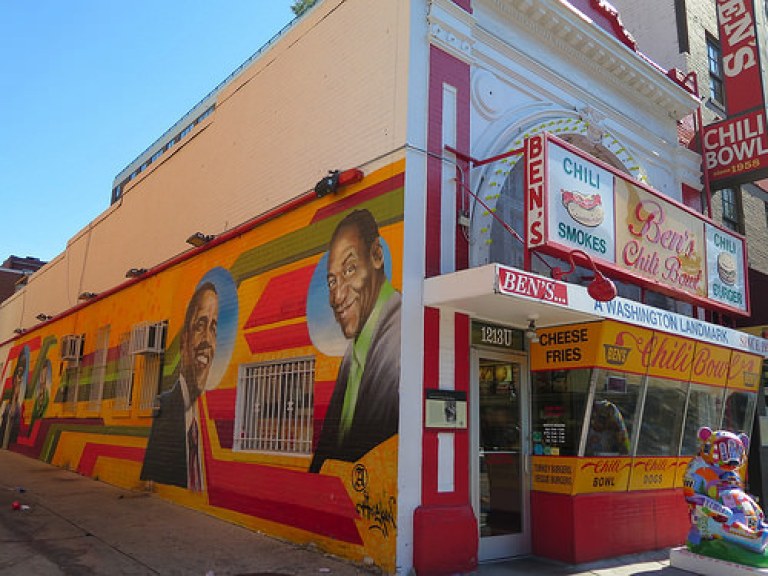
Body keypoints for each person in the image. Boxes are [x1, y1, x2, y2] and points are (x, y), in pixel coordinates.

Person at [309, 209, 401, 473]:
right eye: (331, 281)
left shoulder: (396, 341)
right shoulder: (355, 354)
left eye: (350, 269)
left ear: (377, 256)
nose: (337, 296)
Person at [141, 282, 218, 490]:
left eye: (213, 327)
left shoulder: (203, 420)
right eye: (200, 325)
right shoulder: (165, 407)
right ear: (184, 341)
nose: (207, 340)